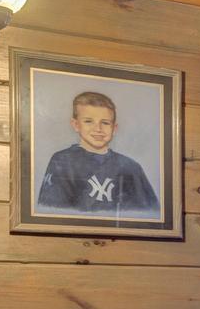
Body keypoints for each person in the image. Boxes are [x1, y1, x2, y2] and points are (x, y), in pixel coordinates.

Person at [35, 89, 161, 217]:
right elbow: (53, 213)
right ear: (76, 125)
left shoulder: (131, 167)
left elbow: (150, 215)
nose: (98, 129)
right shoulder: (62, 161)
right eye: (88, 121)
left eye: (105, 123)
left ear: (114, 128)